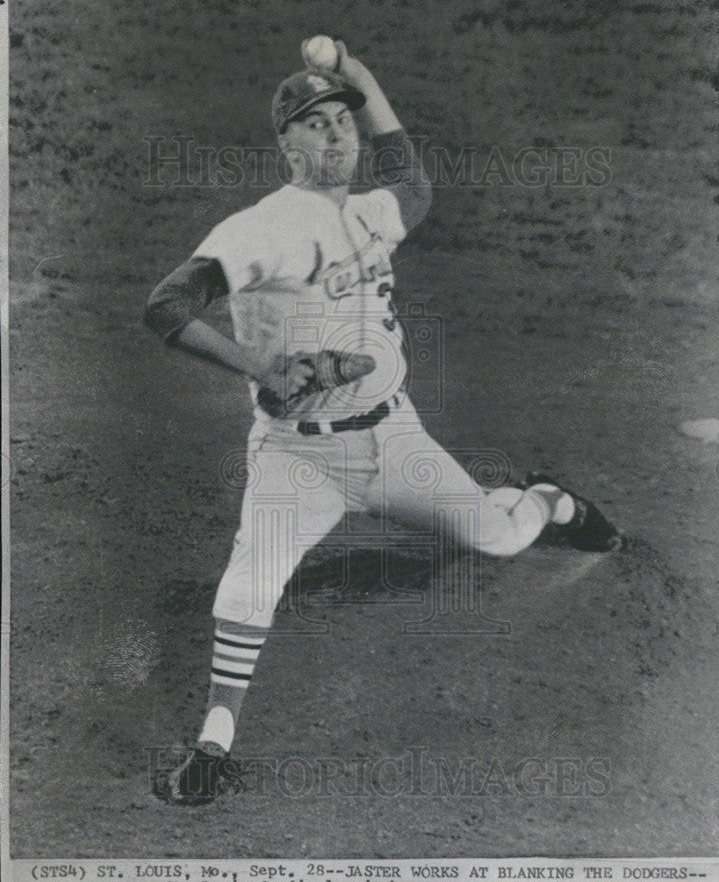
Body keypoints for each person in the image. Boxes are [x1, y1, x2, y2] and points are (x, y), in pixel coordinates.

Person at [144, 41, 623, 805]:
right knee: (247, 585)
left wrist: (364, 80)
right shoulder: (260, 227)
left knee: (495, 537)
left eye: (342, 120)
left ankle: (549, 499)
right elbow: (165, 306)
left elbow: (414, 184)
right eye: (313, 123)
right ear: (286, 146)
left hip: (395, 440)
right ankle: (213, 743)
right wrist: (260, 369)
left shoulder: (371, 213)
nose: (335, 134)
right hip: (295, 458)